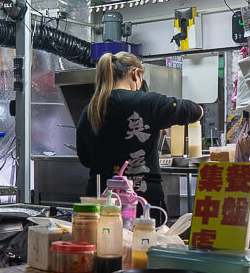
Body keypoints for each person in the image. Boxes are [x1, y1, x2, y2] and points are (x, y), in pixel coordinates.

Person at [76, 51, 203, 211]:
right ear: (135, 74)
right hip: (142, 202)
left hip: (100, 201)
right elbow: (194, 111)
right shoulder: (148, 102)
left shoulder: (91, 110)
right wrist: (156, 121)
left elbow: (85, 159)